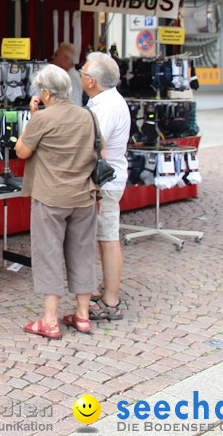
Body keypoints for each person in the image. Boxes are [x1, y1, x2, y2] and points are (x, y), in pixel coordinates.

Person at [14, 64, 101, 339]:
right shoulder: (87, 115)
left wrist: (32, 115)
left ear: (47, 93)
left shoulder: (42, 118)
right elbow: (99, 148)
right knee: (83, 253)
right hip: (83, 195)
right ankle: (83, 316)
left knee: (49, 254)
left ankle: (50, 320)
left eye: (41, 90)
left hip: (51, 196)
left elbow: (22, 151)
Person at [81, 52, 131, 321]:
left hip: (106, 182)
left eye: (83, 72)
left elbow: (96, 147)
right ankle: (106, 290)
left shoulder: (107, 106)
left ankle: (111, 299)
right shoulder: (106, 101)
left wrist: (97, 188)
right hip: (108, 180)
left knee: (109, 237)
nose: (80, 76)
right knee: (104, 237)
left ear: (92, 81)